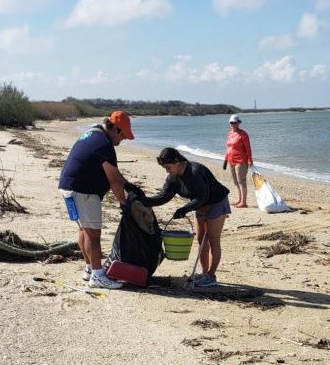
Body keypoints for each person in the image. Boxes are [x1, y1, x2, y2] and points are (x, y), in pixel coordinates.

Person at [58, 111, 135, 289]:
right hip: (82, 192)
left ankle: (89, 268)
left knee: (84, 230)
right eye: (123, 135)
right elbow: (114, 180)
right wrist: (124, 203)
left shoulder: (92, 134)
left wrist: (128, 186)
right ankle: (98, 276)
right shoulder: (104, 145)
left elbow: (115, 176)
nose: (122, 139)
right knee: (93, 234)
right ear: (114, 128)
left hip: (67, 188)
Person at [141, 148, 231, 287]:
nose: (167, 171)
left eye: (168, 167)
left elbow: (203, 196)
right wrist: (145, 201)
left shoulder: (195, 171)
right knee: (201, 239)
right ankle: (204, 272)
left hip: (216, 202)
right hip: (200, 205)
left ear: (177, 161)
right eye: (165, 168)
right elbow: (163, 196)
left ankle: (211, 276)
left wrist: (184, 209)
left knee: (213, 239)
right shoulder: (173, 177)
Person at [223, 114, 253, 208]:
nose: (233, 124)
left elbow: (248, 148)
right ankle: (239, 200)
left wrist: (250, 160)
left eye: (235, 123)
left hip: (241, 160)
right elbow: (228, 148)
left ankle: (244, 202)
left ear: (238, 123)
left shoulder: (243, 134)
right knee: (235, 182)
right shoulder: (229, 134)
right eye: (231, 123)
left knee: (241, 181)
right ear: (229, 123)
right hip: (231, 160)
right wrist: (225, 160)